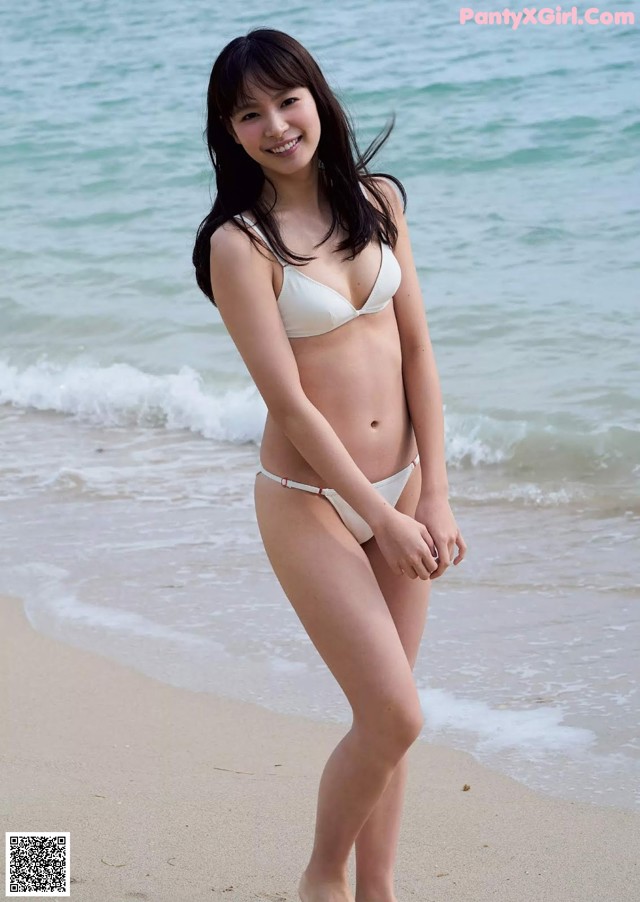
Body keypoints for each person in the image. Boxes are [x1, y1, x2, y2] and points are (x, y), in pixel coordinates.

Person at [193, 27, 466, 902]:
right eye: (249, 113)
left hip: (407, 488)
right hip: (313, 499)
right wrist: (378, 519)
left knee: (388, 725)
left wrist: (436, 498)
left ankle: (377, 889)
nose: (275, 124)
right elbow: (291, 406)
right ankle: (322, 879)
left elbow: (419, 351)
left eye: (287, 100)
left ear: (317, 97)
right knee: (396, 713)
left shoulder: (379, 200)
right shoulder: (240, 245)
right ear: (229, 133)